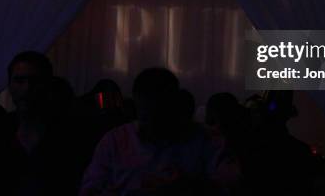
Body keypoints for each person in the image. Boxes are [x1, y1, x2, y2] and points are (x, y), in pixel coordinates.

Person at [80, 68, 225, 195]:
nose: (153, 125)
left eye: (160, 115)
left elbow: (229, 184)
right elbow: (90, 189)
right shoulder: (114, 141)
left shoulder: (205, 140)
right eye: (146, 117)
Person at [0, 51, 83, 196]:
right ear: (9, 85)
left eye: (35, 81)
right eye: (19, 81)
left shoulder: (67, 134)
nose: (26, 88)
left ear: (47, 85)